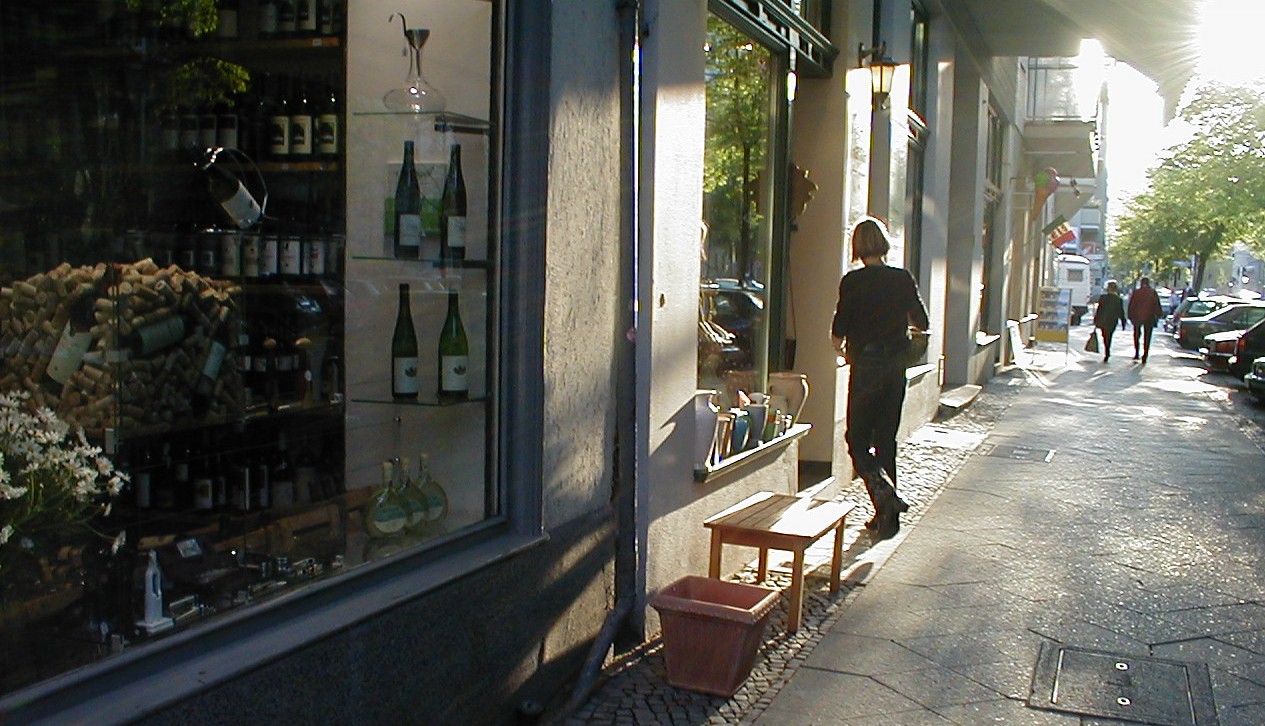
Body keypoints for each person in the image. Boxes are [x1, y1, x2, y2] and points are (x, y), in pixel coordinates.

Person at [831, 217, 930, 540]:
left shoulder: (852, 282)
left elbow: (838, 330)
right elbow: (921, 321)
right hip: (895, 366)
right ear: (884, 244)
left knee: (856, 440)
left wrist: (845, 352)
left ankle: (884, 497)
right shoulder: (902, 279)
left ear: (857, 247)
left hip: (866, 367)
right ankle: (887, 517)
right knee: (886, 439)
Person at [1127, 276, 1164, 363]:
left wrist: (1130, 315)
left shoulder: (1136, 293)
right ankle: (1145, 354)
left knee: (1136, 335)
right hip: (1149, 317)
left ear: (1141, 283)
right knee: (1147, 336)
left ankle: (1136, 353)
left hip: (1137, 317)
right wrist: (1159, 314)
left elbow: (1131, 304)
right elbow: (1156, 304)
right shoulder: (1152, 292)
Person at [1093, 279, 1126, 362]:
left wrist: (1096, 319)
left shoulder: (1103, 298)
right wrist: (1123, 322)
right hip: (1112, 321)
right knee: (1109, 335)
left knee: (1104, 336)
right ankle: (1107, 350)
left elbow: (1099, 310)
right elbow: (1120, 312)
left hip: (1103, 320)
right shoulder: (1118, 299)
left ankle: (1107, 350)